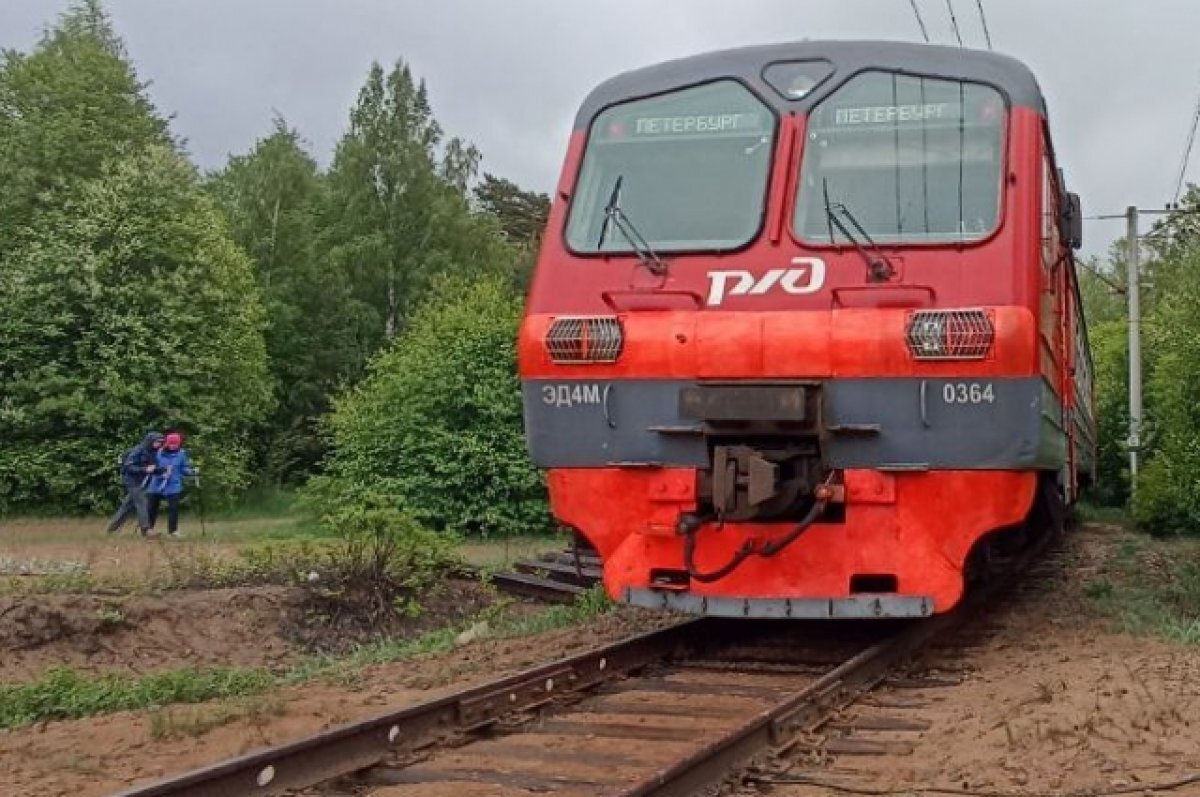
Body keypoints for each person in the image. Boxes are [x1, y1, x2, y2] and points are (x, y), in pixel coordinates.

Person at [106, 431, 163, 536]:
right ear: (150, 441)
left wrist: (162, 471)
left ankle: (111, 529)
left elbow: (152, 469)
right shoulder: (138, 451)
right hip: (132, 481)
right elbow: (129, 467)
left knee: (127, 506)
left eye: (160, 442)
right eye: (157, 442)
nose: (159, 444)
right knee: (142, 502)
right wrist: (145, 469)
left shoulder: (154, 453)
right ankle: (146, 530)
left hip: (142, 482)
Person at [148, 432, 195, 538]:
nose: (173, 446)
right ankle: (148, 529)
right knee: (152, 508)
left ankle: (172, 531)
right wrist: (162, 474)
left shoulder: (182, 453)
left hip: (173, 485)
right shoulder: (158, 453)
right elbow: (152, 468)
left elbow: (183, 468)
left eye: (176, 444)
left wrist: (191, 472)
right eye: (171, 443)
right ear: (167, 443)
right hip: (157, 484)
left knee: (174, 508)